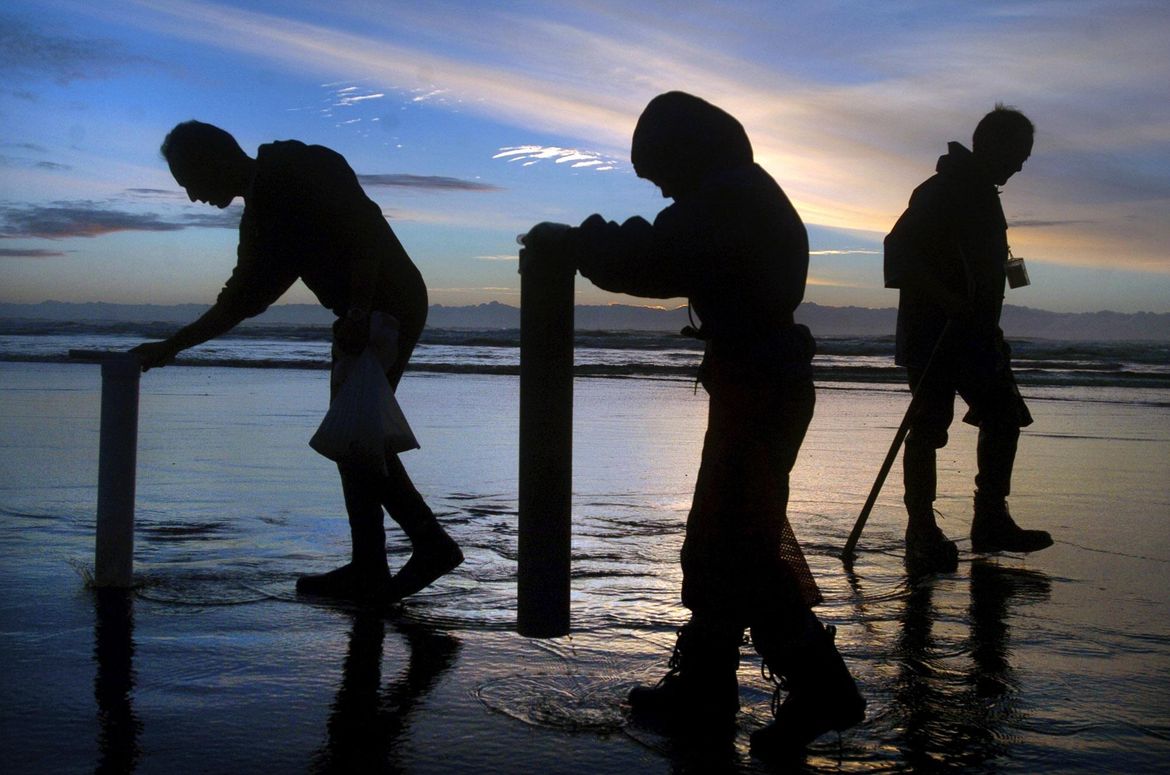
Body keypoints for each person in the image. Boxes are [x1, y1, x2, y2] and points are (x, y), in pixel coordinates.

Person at [524, 92, 864, 759]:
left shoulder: (732, 199)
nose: (662, 191)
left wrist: (577, 242)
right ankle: (705, 687)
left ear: (688, 151)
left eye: (661, 175)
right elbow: (671, 245)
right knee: (723, 543)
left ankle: (821, 689)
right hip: (756, 383)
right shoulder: (738, 190)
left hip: (761, 389)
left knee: (737, 551)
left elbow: (657, 255)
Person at [132, 121, 463, 605]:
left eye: (190, 181)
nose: (192, 196)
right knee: (353, 436)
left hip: (384, 308)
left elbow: (362, 230)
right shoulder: (262, 218)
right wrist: (171, 347)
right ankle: (372, 563)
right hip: (361, 314)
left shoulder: (295, 167)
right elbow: (240, 301)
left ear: (212, 159)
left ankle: (430, 546)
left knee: (359, 440)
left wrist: (358, 308)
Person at [884, 106, 1053, 574]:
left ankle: (990, 519)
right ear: (992, 145)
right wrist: (946, 300)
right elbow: (896, 253)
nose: (1020, 165)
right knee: (929, 428)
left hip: (975, 336)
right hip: (933, 334)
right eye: (1018, 154)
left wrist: (989, 327)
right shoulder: (943, 190)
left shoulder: (981, 194)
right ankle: (921, 531)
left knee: (1003, 416)